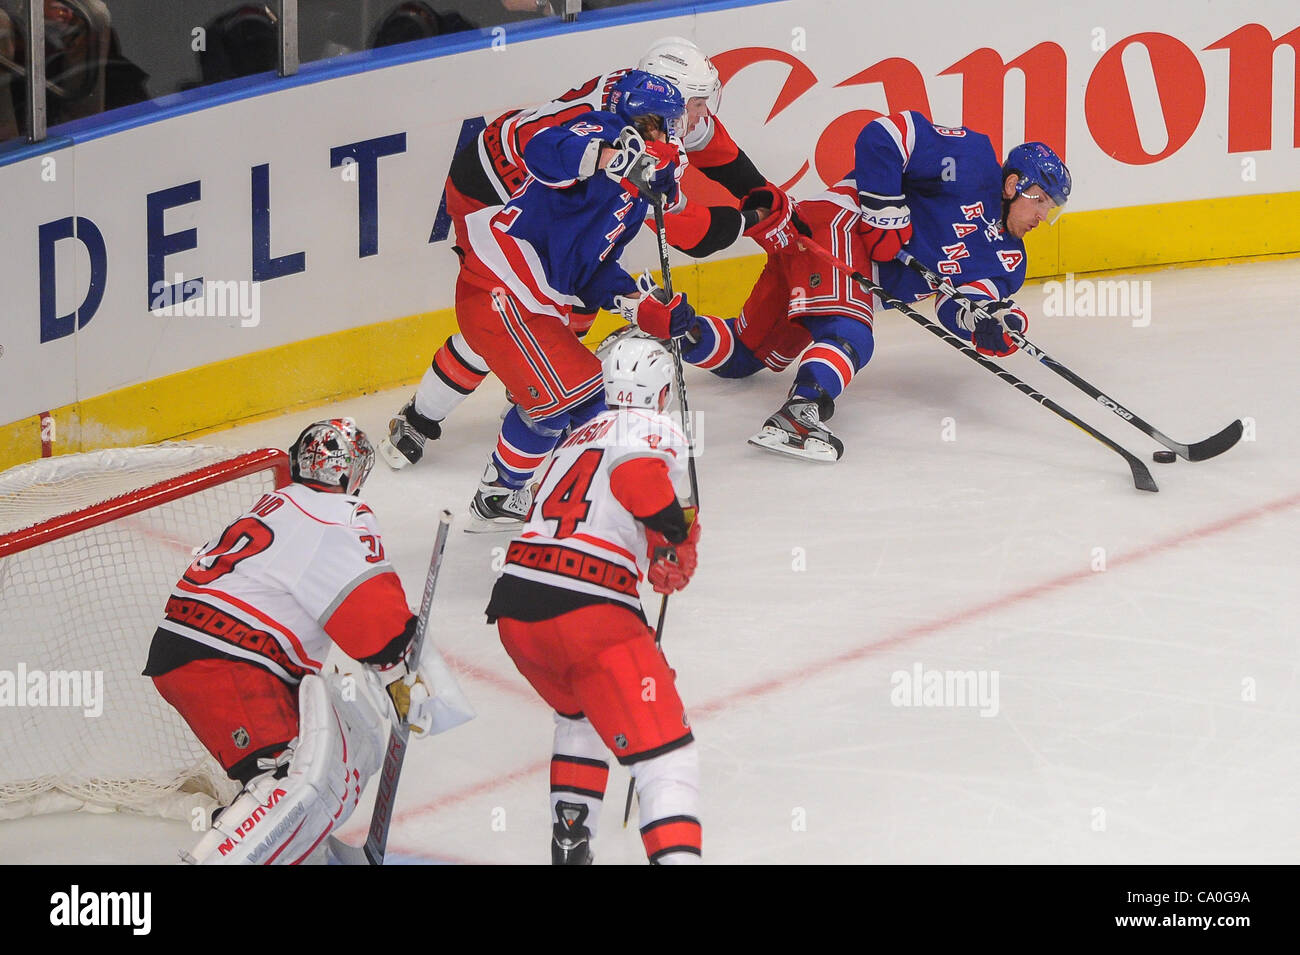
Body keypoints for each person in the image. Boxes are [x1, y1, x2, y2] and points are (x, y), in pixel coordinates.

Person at [380, 36, 790, 473]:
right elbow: (689, 235)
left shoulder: (651, 112)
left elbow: (711, 149)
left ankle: (512, 391)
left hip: (545, 201)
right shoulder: (615, 134)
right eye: (697, 104)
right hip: (493, 193)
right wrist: (745, 220)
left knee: (561, 300)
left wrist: (756, 191)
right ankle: (432, 419)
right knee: (516, 316)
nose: (704, 115)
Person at [143, 418, 472, 864]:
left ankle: (286, 849)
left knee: (332, 753)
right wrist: (402, 671)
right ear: (350, 472)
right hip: (228, 661)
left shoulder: (277, 504)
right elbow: (369, 610)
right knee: (290, 783)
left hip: (204, 652)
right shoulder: (338, 515)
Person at [674, 111, 1071, 461]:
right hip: (834, 226)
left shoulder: (1009, 262)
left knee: (744, 356)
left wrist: (990, 323)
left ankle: (669, 328)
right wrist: (885, 211)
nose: (1042, 216)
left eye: (1049, 210)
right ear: (1012, 184)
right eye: (1039, 201)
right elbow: (885, 134)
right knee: (850, 333)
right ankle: (798, 415)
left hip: (836, 267)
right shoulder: (972, 161)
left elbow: (956, 306)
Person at [447, 69, 702, 529]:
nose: (672, 136)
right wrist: (607, 156)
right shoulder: (605, 131)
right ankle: (543, 498)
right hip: (499, 289)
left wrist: (642, 306)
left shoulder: (635, 194)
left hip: (525, 301)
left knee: (570, 405)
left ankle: (503, 494)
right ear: (644, 122)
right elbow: (543, 151)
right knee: (587, 402)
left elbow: (592, 269)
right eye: (665, 124)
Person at [487, 336, 703, 864]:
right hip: (590, 615)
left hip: (517, 611)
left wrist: (658, 546)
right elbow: (635, 479)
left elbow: (584, 511)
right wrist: (671, 537)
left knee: (577, 716)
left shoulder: (572, 437)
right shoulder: (656, 428)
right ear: (661, 390)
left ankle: (571, 849)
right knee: (666, 762)